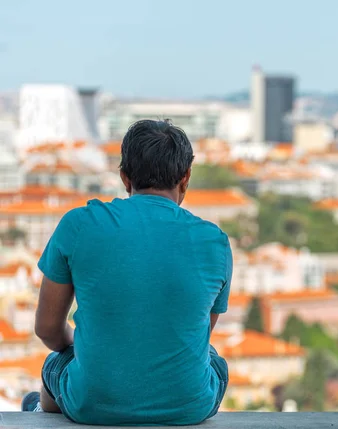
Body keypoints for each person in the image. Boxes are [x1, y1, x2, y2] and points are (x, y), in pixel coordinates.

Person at [21, 119, 232, 425]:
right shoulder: (216, 242)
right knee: (214, 362)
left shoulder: (78, 225)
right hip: (189, 406)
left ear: (124, 177)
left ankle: (41, 407)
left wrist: (79, 345)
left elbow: (48, 330)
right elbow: (199, 334)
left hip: (91, 405)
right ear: (185, 178)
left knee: (55, 364)